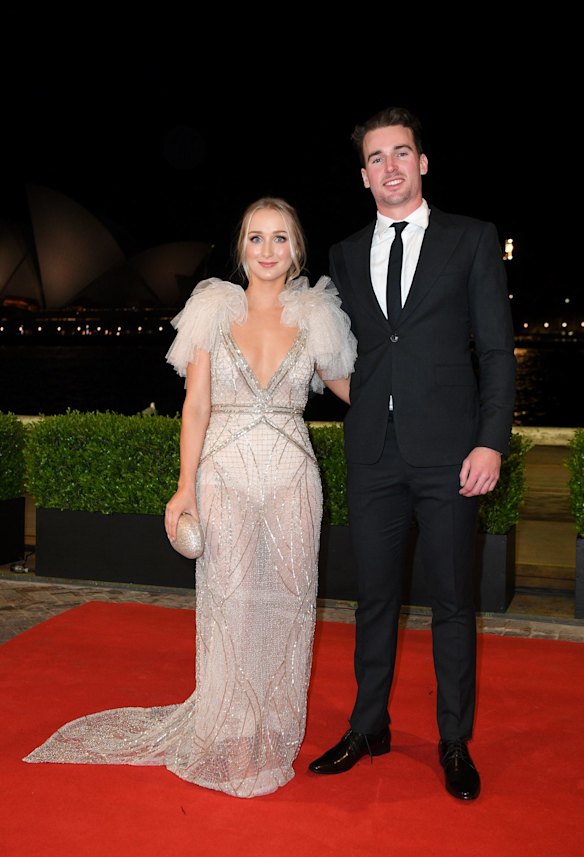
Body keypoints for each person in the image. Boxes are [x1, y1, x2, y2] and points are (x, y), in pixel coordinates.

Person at [24, 196, 356, 798]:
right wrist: (184, 487)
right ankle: (227, 725)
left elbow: (355, 388)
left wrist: (427, 406)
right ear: (241, 249)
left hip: (293, 482)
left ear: (297, 250)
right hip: (223, 477)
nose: (267, 250)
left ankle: (274, 726)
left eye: (280, 238)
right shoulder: (212, 309)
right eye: (256, 238)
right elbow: (196, 406)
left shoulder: (317, 318)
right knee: (228, 606)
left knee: (286, 604)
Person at [308, 107, 516, 801]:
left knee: (453, 602)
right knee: (373, 599)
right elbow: (344, 353)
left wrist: (491, 440)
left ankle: (454, 741)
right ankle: (370, 726)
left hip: (452, 454)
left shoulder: (471, 239)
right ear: (363, 174)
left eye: (401, 153)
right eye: (376, 158)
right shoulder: (341, 254)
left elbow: (493, 351)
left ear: (422, 163)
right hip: (373, 455)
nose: (390, 167)